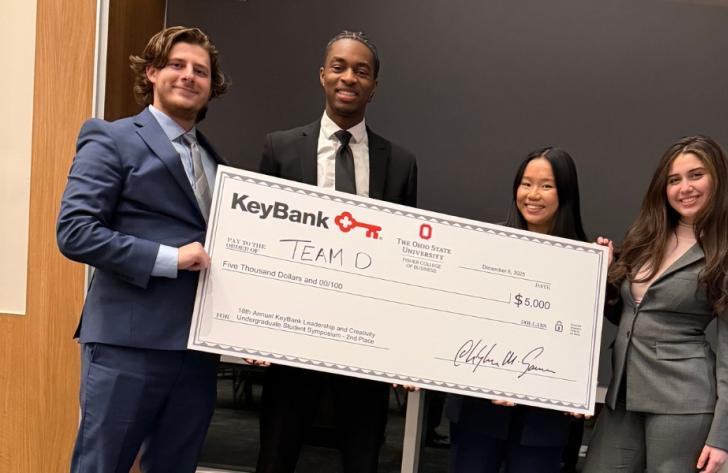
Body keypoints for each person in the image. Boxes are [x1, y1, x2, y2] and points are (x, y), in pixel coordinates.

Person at [57, 26, 230, 472]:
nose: (189, 76)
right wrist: (170, 259)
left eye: (201, 71)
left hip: (195, 354)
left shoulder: (218, 164)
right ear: (152, 72)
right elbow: (75, 231)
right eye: (177, 65)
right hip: (126, 348)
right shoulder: (111, 138)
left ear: (212, 86)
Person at [251, 30, 418, 473]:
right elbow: (258, 245)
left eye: (361, 71)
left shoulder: (400, 164)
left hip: (366, 351)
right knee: (275, 459)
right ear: (322, 75)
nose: (349, 77)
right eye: (339, 67)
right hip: (291, 340)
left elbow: (404, 263)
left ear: (374, 86)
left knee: (362, 461)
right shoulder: (281, 149)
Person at [583, 135, 728, 473]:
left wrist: (722, 436)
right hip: (623, 396)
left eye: (696, 175)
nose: (684, 187)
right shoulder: (645, 238)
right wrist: (604, 276)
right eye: (674, 179)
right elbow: (629, 317)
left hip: (684, 403)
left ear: (718, 180)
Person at [445, 147, 590, 473]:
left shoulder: (586, 260)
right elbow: (463, 320)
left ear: (565, 193)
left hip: (543, 422)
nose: (532, 195)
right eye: (526, 184)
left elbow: (577, 342)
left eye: (546, 186)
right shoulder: (486, 245)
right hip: (477, 413)